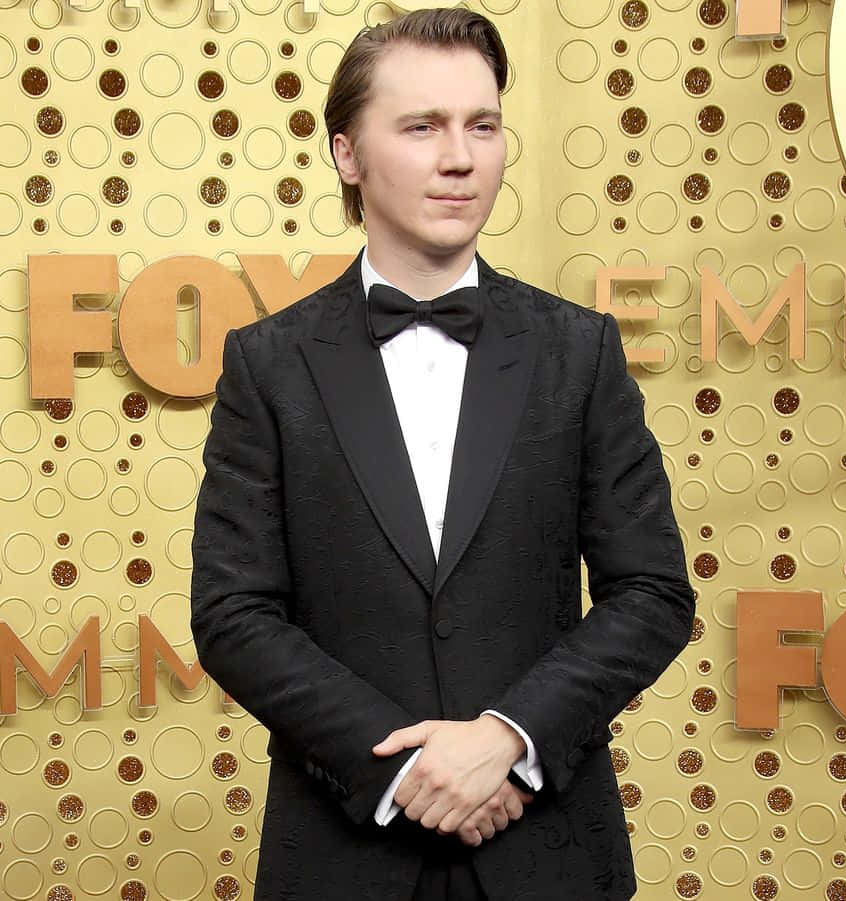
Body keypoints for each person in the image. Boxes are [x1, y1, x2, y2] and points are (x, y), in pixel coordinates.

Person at [189, 8, 695, 900]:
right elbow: (235, 613)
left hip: (550, 854)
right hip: (344, 855)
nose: (460, 157)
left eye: (483, 125)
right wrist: (403, 767)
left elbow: (653, 590)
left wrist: (508, 736)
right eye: (422, 127)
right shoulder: (267, 364)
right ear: (347, 153)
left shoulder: (579, 351)